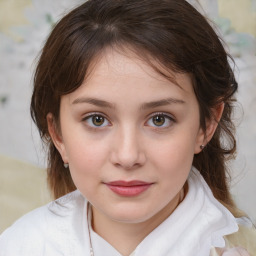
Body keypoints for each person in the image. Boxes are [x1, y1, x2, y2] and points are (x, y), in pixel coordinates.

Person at [0, 0, 255, 255]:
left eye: (159, 119)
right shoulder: (19, 246)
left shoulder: (244, 247)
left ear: (206, 125)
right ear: (58, 134)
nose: (127, 156)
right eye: (96, 119)